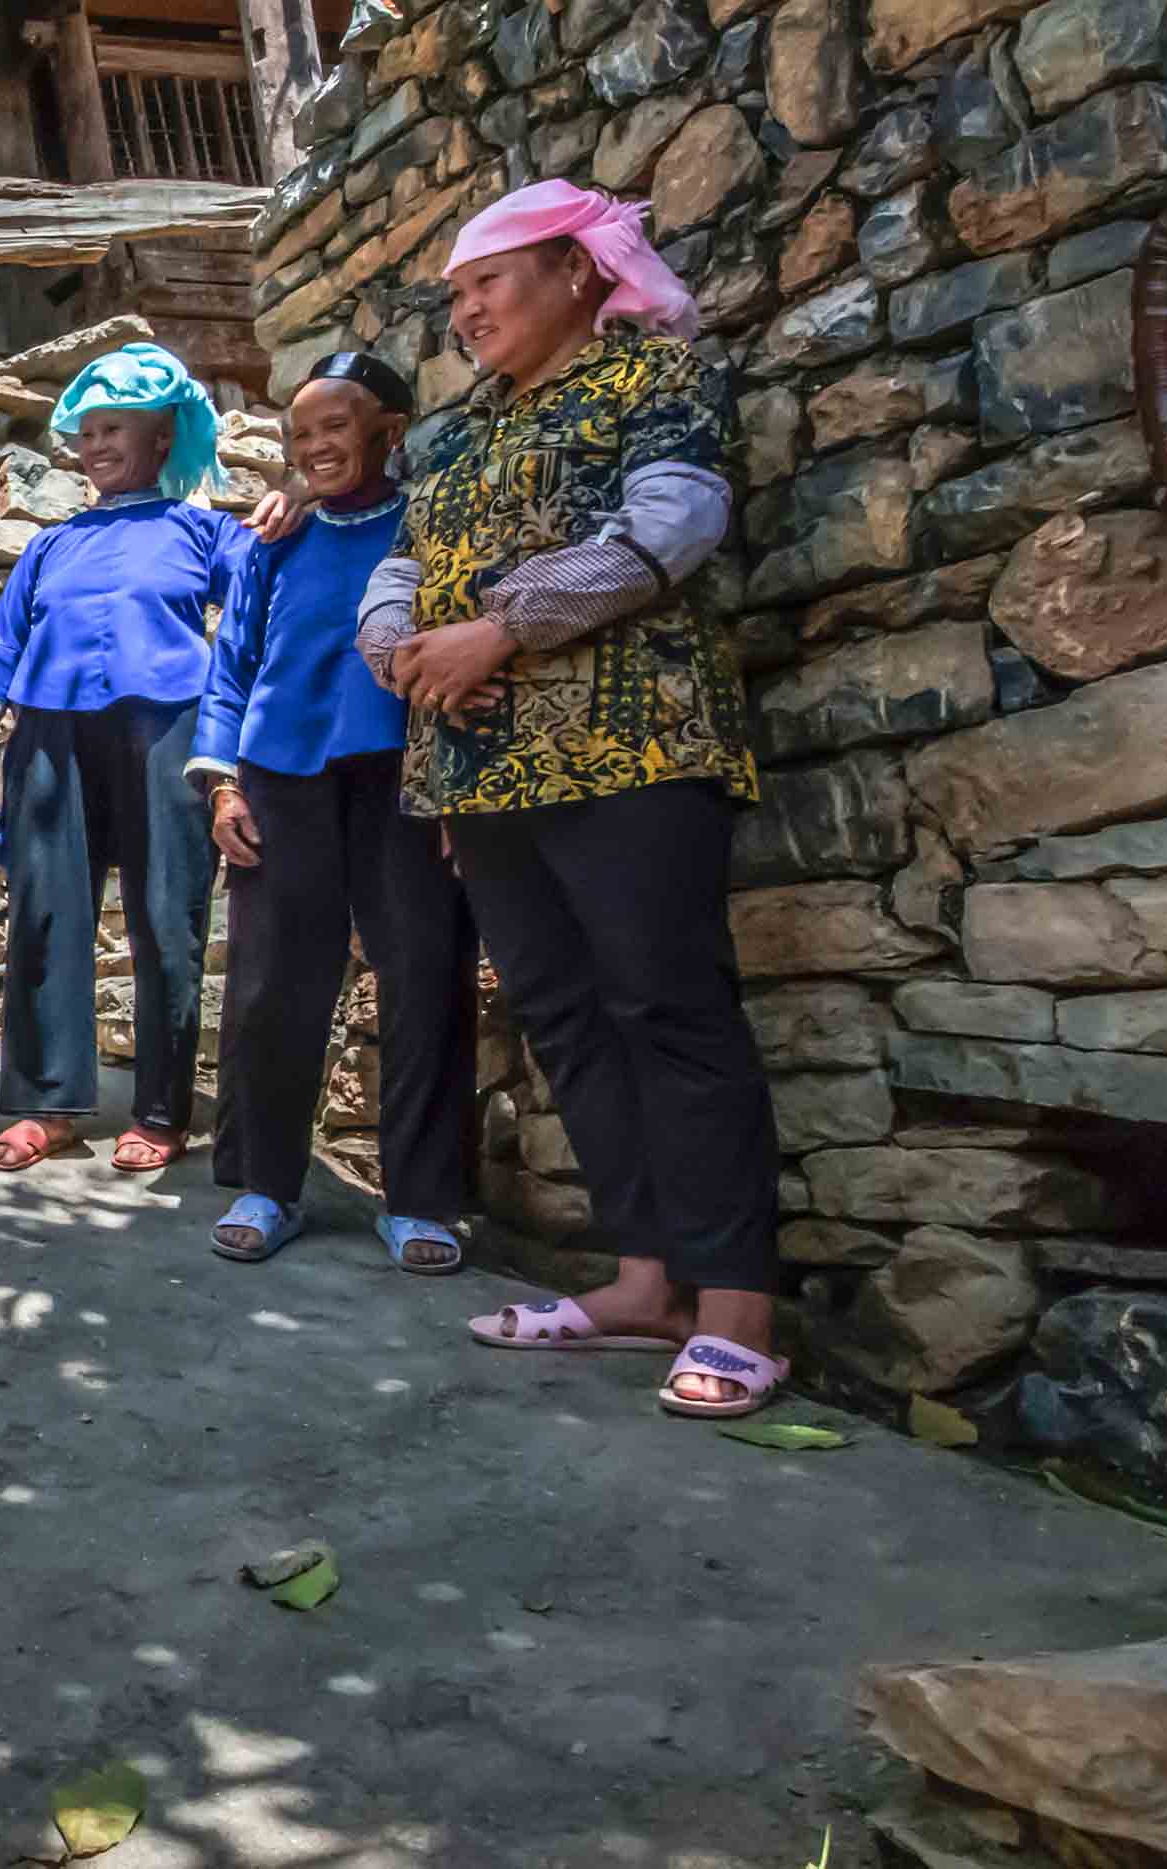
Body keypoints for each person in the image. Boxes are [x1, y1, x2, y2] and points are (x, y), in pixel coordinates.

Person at [355, 182, 784, 1419]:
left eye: (487, 280)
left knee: (668, 1005)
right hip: (479, 768)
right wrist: (399, 650)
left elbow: (674, 522)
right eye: (453, 294)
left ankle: (737, 1309)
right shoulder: (449, 433)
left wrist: (499, 628)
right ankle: (644, 1281)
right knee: (564, 1015)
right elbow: (397, 563)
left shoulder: (657, 380)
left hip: (633, 743)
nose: (466, 308)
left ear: (578, 272)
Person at [187, 352, 477, 1272]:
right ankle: (267, 1184)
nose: (314, 446)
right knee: (273, 983)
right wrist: (223, 782)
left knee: (427, 972)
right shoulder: (277, 540)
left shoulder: (432, 524)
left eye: (335, 427)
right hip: (282, 775)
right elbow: (230, 666)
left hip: (402, 773)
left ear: (391, 430)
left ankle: (423, 1199)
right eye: (299, 433)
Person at [0, 341, 248, 1176]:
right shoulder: (52, 545)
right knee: (47, 915)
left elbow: (259, 606)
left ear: (160, 441)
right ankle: (45, 1107)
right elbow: (5, 640)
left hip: (167, 735)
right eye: (89, 431)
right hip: (52, 740)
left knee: (167, 919)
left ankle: (160, 1109)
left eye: (119, 429)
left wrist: (281, 519)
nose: (99, 444)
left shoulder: (205, 531)